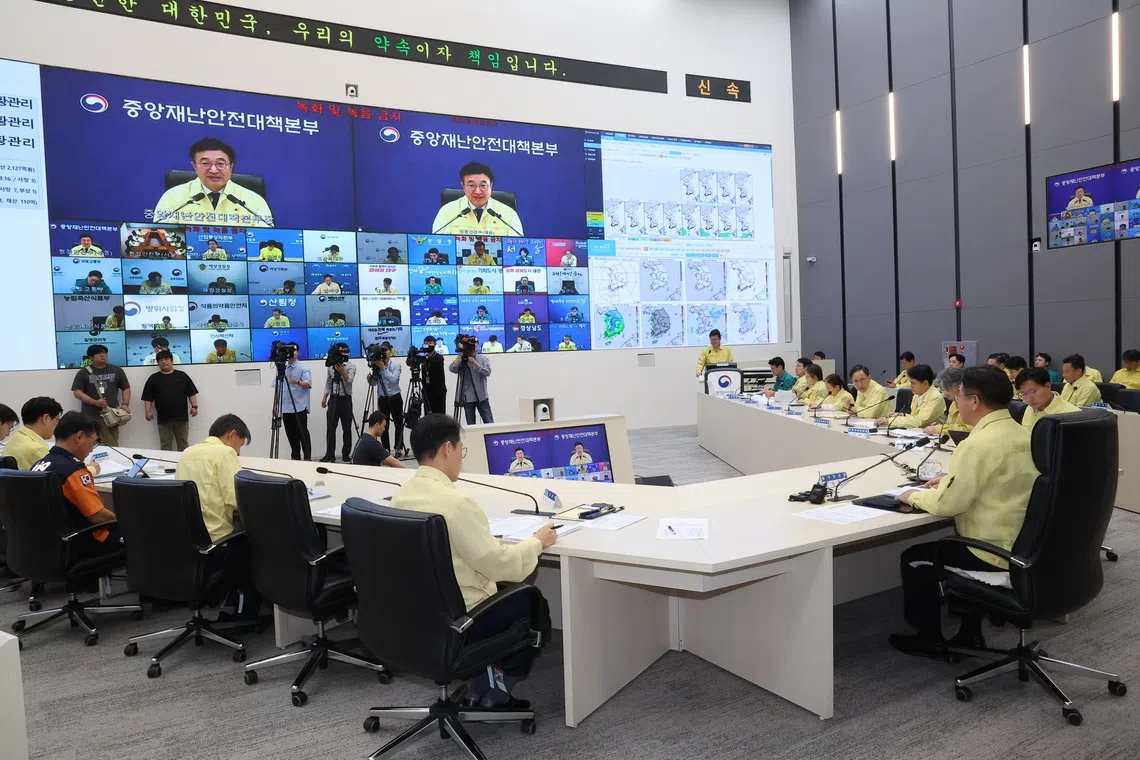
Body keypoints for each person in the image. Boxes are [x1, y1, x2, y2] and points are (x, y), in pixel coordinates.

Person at [389, 415, 555, 708]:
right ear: (447, 450)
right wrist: (537, 542)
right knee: (532, 601)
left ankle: (487, 675)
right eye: (460, 450)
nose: (460, 458)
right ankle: (496, 685)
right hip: (461, 620)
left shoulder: (401, 497)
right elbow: (502, 567)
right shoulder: (457, 504)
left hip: (413, 614)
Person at [891, 366, 1039, 655]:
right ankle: (969, 632)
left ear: (974, 401)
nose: (955, 403)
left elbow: (949, 505)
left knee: (914, 559)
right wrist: (950, 480)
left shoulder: (976, 444)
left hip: (992, 551)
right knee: (949, 545)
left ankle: (929, 638)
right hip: (1027, 545)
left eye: (958, 397)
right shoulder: (1025, 434)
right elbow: (1001, 479)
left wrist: (913, 496)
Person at [175, 414, 262, 620]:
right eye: (239, 446)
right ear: (231, 434)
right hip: (217, 544)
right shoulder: (224, 454)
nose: (238, 453)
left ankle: (227, 599)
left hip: (190, 544)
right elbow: (237, 500)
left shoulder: (187, 453)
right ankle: (244, 612)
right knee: (261, 546)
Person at [29, 412, 120, 561]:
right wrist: (126, 520)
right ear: (79, 437)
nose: (91, 449)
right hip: (77, 546)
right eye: (93, 442)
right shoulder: (73, 471)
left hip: (40, 546)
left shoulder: (39, 465)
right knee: (138, 533)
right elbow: (98, 516)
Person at [154, 137, 274, 226]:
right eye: (205, 163)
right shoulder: (172, 197)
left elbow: (265, 239)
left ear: (231, 166)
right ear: (194, 166)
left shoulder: (254, 201)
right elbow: (165, 234)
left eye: (221, 164)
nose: (213, 170)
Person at [430, 162, 525, 236]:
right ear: (463, 186)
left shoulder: (508, 214)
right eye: (471, 185)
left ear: (491, 185)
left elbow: (516, 247)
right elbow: (438, 245)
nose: (478, 191)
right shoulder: (447, 212)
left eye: (483, 185)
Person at [71, 344, 130, 446]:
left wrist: (125, 404)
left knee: (112, 443)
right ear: (91, 357)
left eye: (104, 352)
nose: (102, 355)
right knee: (89, 444)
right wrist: (94, 402)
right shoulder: (83, 373)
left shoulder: (117, 370)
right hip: (90, 415)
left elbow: (126, 388)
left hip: (111, 415)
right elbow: (77, 392)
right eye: (98, 353)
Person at [141, 350, 199, 451]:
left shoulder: (182, 376)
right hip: (163, 419)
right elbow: (148, 397)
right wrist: (147, 411)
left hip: (181, 418)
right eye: (160, 360)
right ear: (158, 363)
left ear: (172, 361)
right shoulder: (153, 379)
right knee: (165, 445)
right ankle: (167, 466)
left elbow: (191, 392)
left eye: (166, 359)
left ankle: (184, 465)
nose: (163, 362)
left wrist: (194, 406)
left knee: (183, 443)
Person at [2, 397, 63, 470]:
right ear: (46, 418)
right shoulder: (37, 449)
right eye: (57, 420)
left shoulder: (14, 439)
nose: (57, 425)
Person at [877, 364, 945, 429]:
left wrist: (890, 421)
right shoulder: (917, 394)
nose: (910, 386)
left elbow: (920, 422)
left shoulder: (935, 397)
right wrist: (903, 415)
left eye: (913, 383)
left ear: (925, 383)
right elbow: (914, 417)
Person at [366, 342, 404, 455]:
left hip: (395, 397)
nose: (384, 352)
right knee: (383, 425)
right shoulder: (376, 364)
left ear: (390, 352)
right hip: (382, 398)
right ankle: (385, 450)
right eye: (381, 350)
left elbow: (394, 380)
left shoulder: (396, 365)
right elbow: (374, 384)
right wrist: (370, 379)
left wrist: (383, 368)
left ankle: (398, 448)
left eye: (386, 350)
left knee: (398, 423)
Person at [320, 343, 356, 463]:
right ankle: (329, 454)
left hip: (346, 399)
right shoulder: (331, 366)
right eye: (342, 351)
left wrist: (342, 371)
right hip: (333, 398)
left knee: (347, 428)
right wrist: (325, 397)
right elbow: (328, 382)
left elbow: (349, 380)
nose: (344, 353)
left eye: (346, 351)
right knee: (330, 428)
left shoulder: (351, 365)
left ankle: (346, 454)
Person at [1016, 367, 1080, 433]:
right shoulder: (1030, 408)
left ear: (1047, 386)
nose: (1029, 399)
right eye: (1023, 394)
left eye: (1032, 392)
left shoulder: (1072, 415)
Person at [279, 343, 312, 461]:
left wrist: (297, 382)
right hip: (286, 408)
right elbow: (278, 387)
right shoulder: (283, 368)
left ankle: (307, 458)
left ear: (298, 352)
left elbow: (308, 384)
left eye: (293, 350)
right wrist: (277, 406)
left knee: (303, 434)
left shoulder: (303, 368)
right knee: (291, 435)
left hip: (299, 407)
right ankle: (295, 457)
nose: (290, 352)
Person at [450, 346, 493, 424]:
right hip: (467, 398)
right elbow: (452, 369)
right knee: (471, 424)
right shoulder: (461, 361)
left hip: (482, 396)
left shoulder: (483, 359)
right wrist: (459, 356)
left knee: (489, 421)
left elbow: (488, 372)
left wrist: (475, 363)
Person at [925, 367, 970, 435]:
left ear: (959, 388)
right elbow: (951, 425)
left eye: (947, 390)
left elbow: (967, 430)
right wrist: (941, 426)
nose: (945, 395)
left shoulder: (971, 404)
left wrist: (939, 429)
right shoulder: (954, 403)